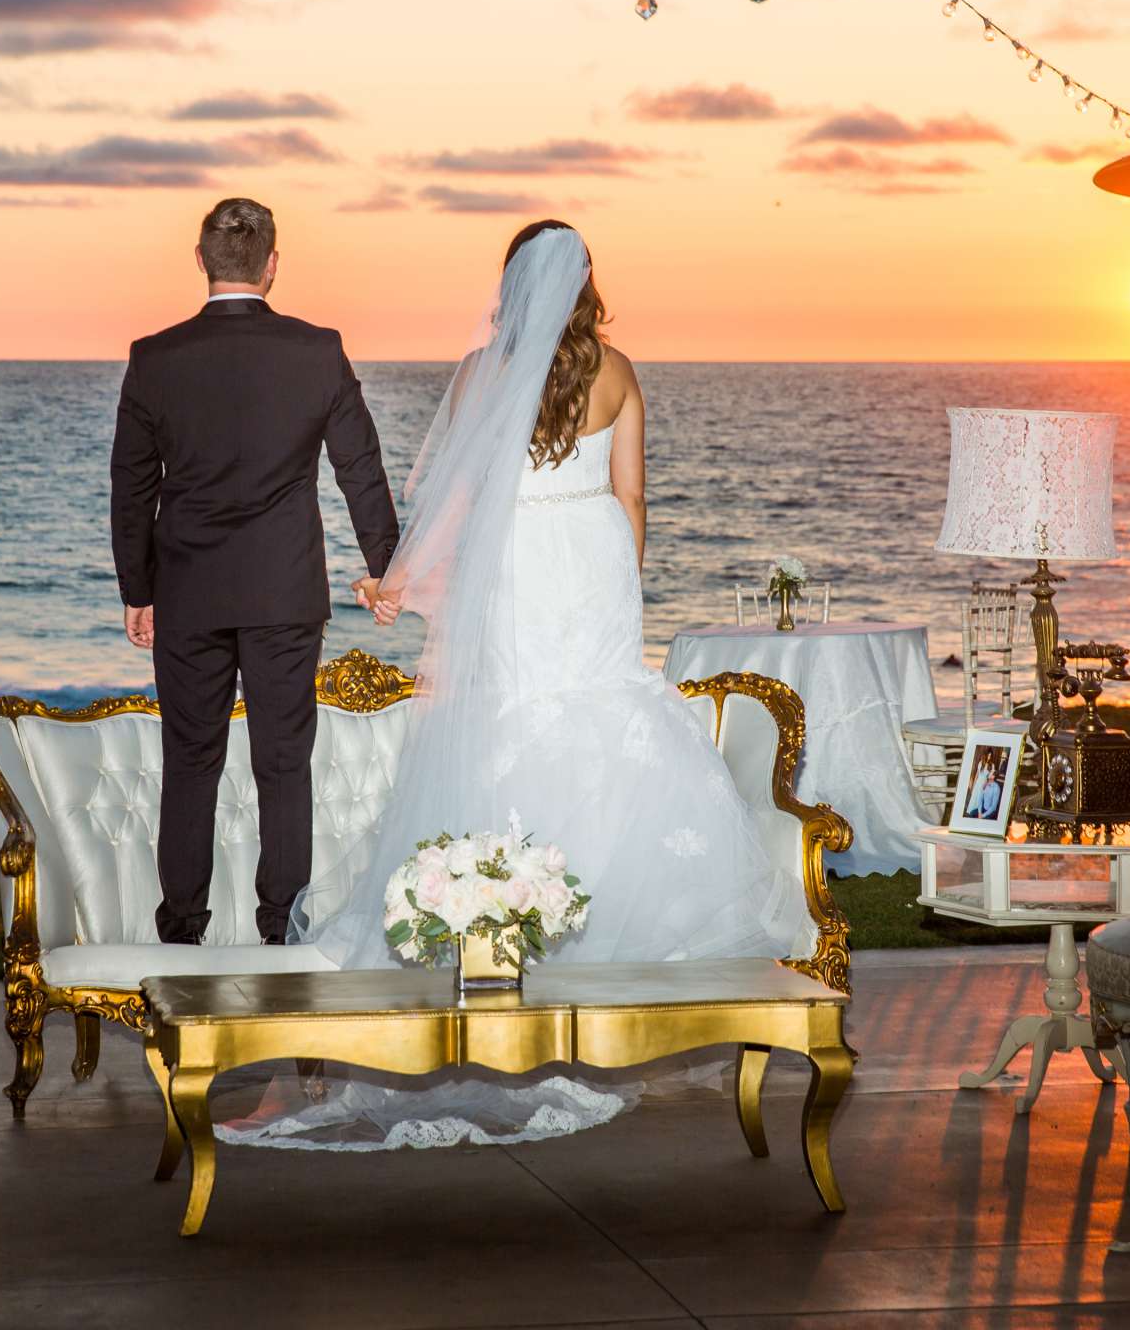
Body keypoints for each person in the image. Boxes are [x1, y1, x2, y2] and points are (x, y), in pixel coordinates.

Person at [238, 223, 793, 1151]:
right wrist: (624, 580)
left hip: (516, 562)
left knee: (509, 725)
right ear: (583, 285)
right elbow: (633, 496)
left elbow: (450, 497)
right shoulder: (614, 369)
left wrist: (406, 577)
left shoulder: (477, 374)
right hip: (591, 556)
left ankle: (499, 958)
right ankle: (581, 974)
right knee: (596, 724)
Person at [110, 197, 399, 946]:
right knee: (283, 765)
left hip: (187, 594)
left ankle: (180, 934)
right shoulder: (317, 350)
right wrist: (387, 570)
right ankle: (285, 932)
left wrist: (137, 592)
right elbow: (359, 470)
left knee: (191, 763)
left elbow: (132, 488)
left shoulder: (155, 357)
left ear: (202, 260)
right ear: (272, 265)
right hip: (283, 591)